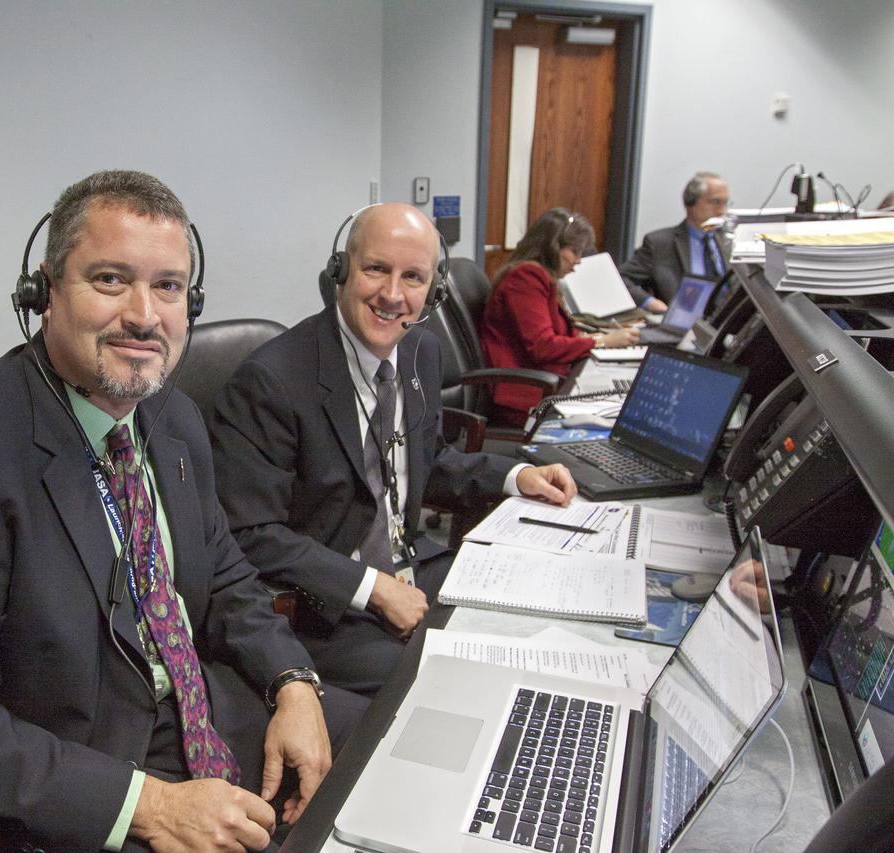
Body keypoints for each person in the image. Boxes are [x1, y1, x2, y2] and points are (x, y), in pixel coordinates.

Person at [0, 170, 364, 853]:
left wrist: (293, 682)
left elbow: (226, 573)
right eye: (111, 280)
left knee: (391, 754)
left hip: (198, 711)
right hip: (74, 777)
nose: (144, 314)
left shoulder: (169, 416)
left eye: (168, 286)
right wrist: (150, 806)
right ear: (44, 293)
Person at [209, 203, 577, 698]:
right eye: (376, 269)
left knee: (531, 609)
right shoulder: (271, 381)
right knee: (453, 686)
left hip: (412, 568)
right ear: (339, 272)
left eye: (413, 277)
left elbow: (428, 463)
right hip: (325, 607)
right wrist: (373, 588)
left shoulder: (422, 352)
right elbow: (250, 533)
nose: (392, 295)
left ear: (434, 290)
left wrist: (515, 477)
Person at [480, 208, 639, 427]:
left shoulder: (539, 277)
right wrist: (602, 341)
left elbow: (557, 333)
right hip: (526, 396)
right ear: (553, 247)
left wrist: (596, 337)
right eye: (574, 251)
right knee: (616, 416)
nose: (578, 261)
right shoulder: (525, 277)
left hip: (548, 384)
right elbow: (543, 346)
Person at [620, 171, 732, 310]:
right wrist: (649, 302)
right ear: (690, 202)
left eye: (725, 203)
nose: (722, 211)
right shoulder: (660, 244)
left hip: (728, 323)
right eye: (715, 202)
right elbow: (620, 279)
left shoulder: (730, 242)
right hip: (683, 322)